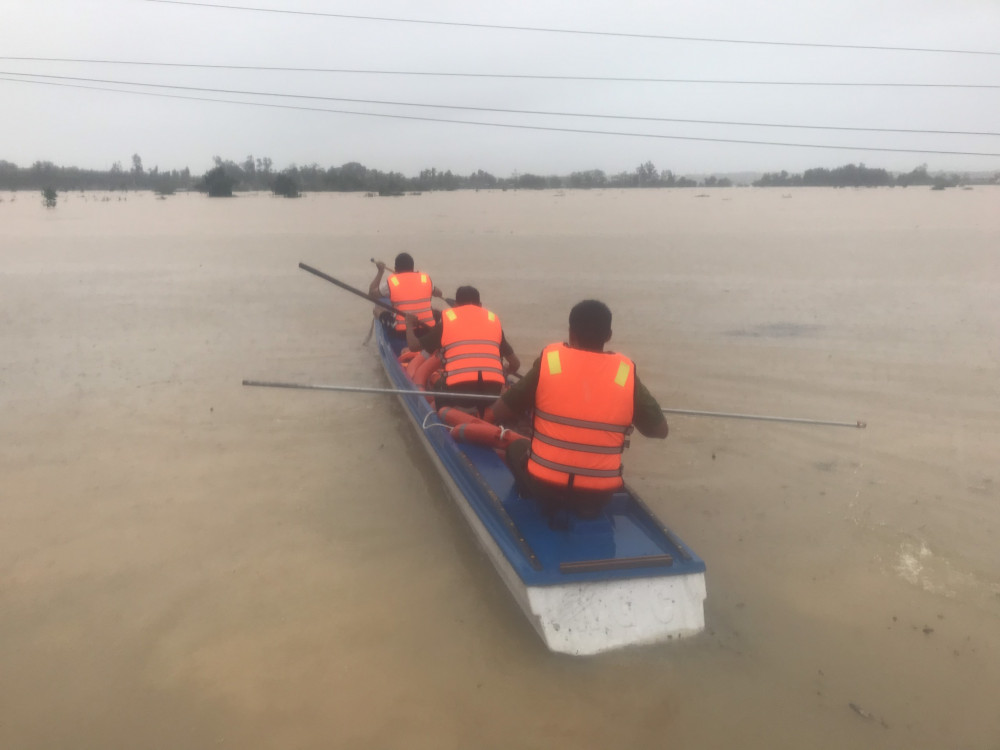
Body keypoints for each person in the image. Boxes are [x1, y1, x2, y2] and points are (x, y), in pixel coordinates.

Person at [489, 299, 667, 520]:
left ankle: (530, 504)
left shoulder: (550, 361)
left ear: (570, 332)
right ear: (609, 335)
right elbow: (660, 431)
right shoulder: (625, 373)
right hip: (599, 496)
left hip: (545, 487)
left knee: (515, 447)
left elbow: (499, 412)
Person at [406, 285, 521, 410]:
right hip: (492, 392)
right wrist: (505, 371)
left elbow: (413, 346)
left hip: (460, 393)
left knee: (439, 385)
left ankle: (444, 416)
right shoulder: (493, 321)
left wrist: (409, 323)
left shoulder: (447, 322)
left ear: (455, 305)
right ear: (480, 305)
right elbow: (515, 364)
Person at [369, 252, 443, 335]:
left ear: (395, 268)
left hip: (402, 331)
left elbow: (372, 294)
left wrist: (380, 272)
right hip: (427, 328)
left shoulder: (392, 282)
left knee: (377, 310)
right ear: (412, 267)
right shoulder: (425, 279)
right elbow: (439, 293)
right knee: (435, 312)